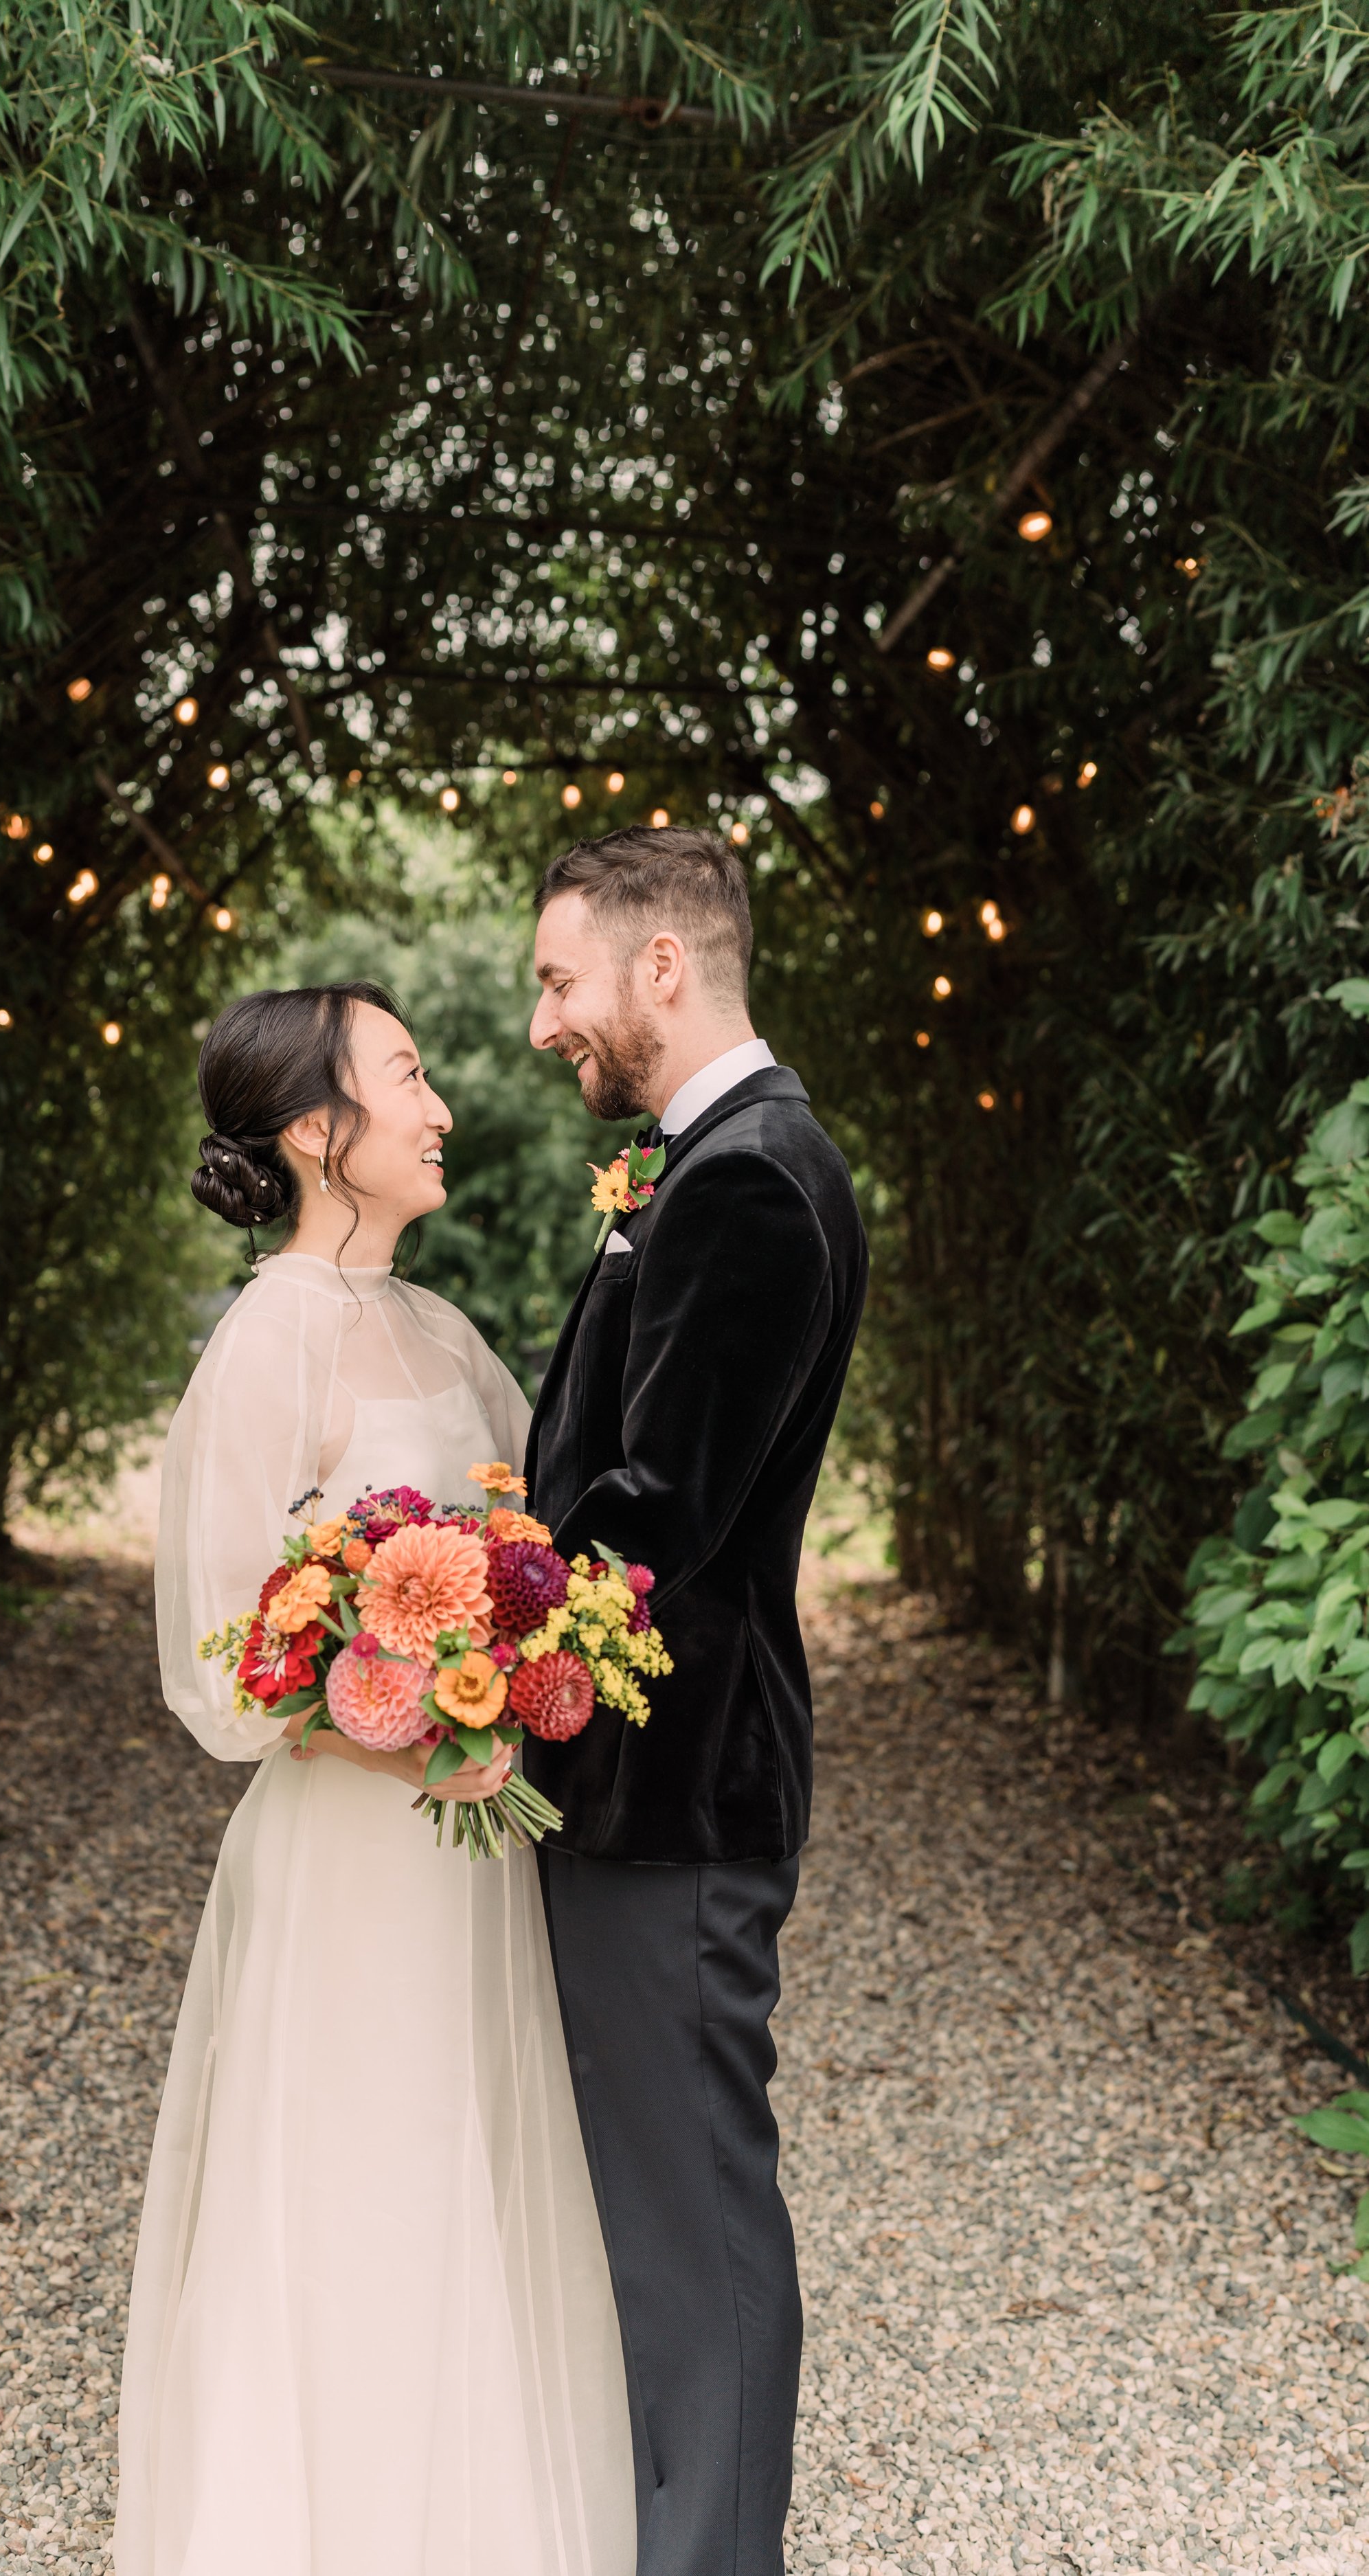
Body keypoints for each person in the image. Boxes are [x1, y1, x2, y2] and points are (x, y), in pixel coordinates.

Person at [115, 982, 634, 2576]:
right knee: (349, 2180)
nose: (440, 1107)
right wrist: (405, 1719)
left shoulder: (435, 1326)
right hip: (349, 1854)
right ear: (317, 1131)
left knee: (464, 2163)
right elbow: (219, 1662)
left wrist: (522, 1660)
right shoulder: (265, 1341)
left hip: (466, 1854)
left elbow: (523, 1543)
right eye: (405, 1078)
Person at [524, 826, 868, 2576]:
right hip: (636, 1788)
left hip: (678, 1790)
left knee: (695, 2213)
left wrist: (473, 1621)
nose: (539, 1021)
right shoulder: (706, 1159)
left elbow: (654, 1519)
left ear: (664, 966)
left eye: (557, 978)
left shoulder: (747, 1180)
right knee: (651, 2213)